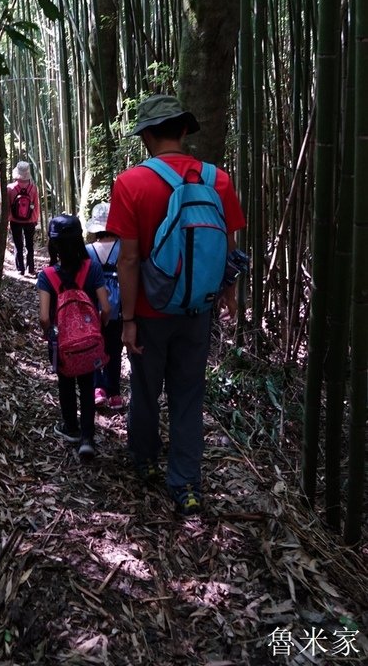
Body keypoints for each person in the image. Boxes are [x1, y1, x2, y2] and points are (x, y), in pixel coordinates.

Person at [106, 95, 246, 516]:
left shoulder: (130, 183)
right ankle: (186, 484)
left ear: (147, 135)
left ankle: (146, 459)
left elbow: (128, 259)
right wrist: (226, 294)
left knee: (146, 390)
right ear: (184, 131)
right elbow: (228, 245)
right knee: (188, 395)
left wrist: (127, 319)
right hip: (196, 311)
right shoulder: (217, 180)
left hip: (150, 311)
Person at [37, 214, 110, 461]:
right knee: (88, 385)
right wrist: (96, 330)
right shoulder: (93, 268)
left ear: (53, 244)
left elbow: (45, 317)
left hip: (62, 344)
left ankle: (71, 427)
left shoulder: (47, 275)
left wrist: (49, 334)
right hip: (89, 342)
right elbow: (107, 308)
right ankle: (88, 437)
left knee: (65, 382)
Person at [85, 202, 124, 411]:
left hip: (93, 306)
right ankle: (114, 392)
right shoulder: (123, 248)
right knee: (115, 349)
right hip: (118, 308)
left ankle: (97, 387)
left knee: (94, 347)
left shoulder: (87, 250)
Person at [7, 161, 40, 276]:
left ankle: (20, 269)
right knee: (29, 245)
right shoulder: (33, 188)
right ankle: (30, 269)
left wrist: (7, 219)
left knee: (18, 244)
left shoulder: (10, 188)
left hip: (15, 220)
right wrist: (36, 219)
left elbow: (7, 206)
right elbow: (36, 206)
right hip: (30, 220)